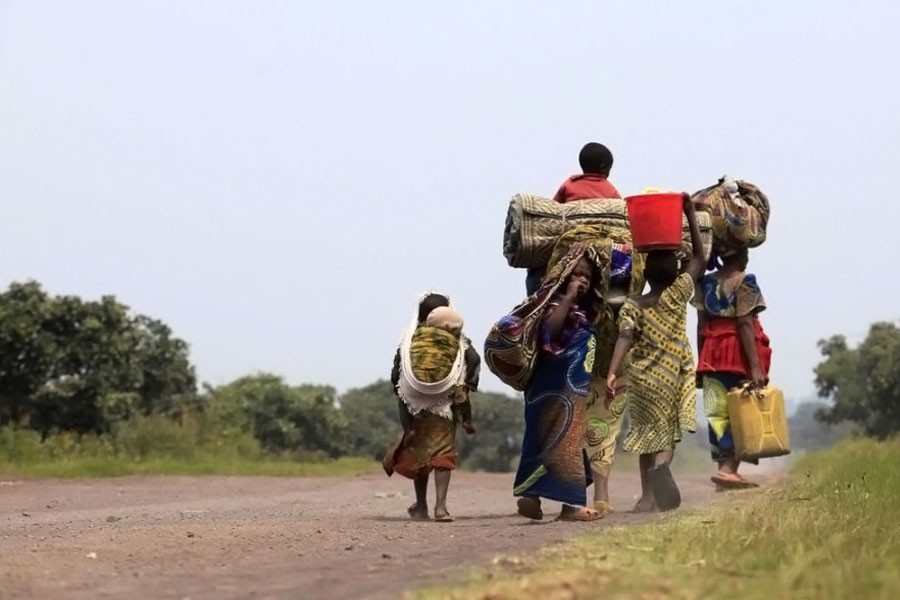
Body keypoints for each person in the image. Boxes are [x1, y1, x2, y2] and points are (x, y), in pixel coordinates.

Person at [604, 194, 704, 512]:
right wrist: (688, 212)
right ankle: (662, 467)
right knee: (667, 435)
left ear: (645, 276)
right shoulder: (677, 295)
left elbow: (624, 337)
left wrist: (612, 372)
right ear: (676, 275)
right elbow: (700, 258)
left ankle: (647, 497)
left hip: (643, 381)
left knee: (646, 436)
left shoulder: (634, 304)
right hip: (673, 377)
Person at [514, 243, 603, 522]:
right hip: (553, 385)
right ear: (564, 275)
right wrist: (566, 298)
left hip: (571, 387)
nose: (583, 280)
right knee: (550, 436)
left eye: (587, 276)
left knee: (563, 438)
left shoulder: (588, 311)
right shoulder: (551, 304)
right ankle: (569, 506)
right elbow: (549, 332)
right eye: (576, 274)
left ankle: (536, 496)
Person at [385, 292, 481, 522]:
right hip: (445, 407)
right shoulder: (460, 343)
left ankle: (420, 506)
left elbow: (397, 377)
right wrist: (466, 413)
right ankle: (441, 507)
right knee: (442, 455)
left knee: (420, 455)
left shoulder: (410, 341)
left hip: (415, 407)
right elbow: (473, 366)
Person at [693, 247, 772, 489]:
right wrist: (756, 368)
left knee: (718, 412)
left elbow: (701, 325)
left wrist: (702, 360)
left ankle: (723, 471)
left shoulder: (704, 282)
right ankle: (728, 470)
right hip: (735, 353)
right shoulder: (745, 281)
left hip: (711, 354)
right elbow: (745, 324)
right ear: (738, 255)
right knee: (742, 411)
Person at [525, 142, 622, 296]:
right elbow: (619, 215)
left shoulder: (570, 184)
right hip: (599, 245)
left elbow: (554, 210)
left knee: (535, 269)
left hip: (568, 241)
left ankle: (535, 296)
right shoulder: (610, 189)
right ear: (604, 168)